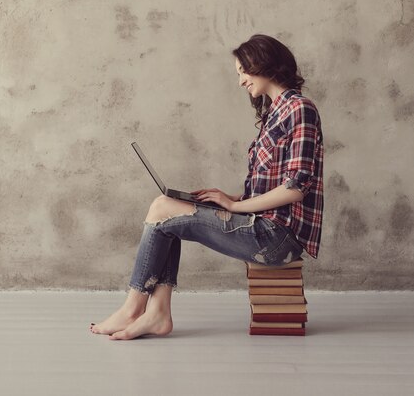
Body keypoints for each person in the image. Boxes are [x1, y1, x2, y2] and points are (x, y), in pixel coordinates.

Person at [90, 34, 324, 340]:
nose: (241, 81)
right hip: (263, 224)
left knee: (162, 209)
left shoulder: (299, 109)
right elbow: (274, 186)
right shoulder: (275, 113)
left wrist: (236, 207)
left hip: (276, 238)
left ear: (263, 64)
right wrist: (232, 198)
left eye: (243, 71)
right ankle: (156, 312)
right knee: (165, 209)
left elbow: (296, 188)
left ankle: (136, 308)